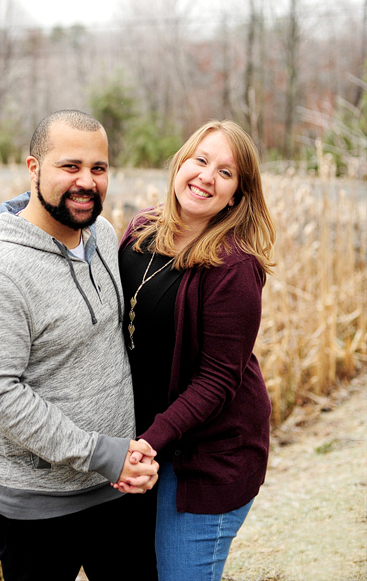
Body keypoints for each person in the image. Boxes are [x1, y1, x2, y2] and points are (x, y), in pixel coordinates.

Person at [0, 109, 159, 581]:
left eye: (98, 168)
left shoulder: (104, 236)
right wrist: (102, 455)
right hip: (35, 506)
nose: (86, 182)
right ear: (33, 169)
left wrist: (127, 455)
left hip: (119, 485)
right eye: (70, 166)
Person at [114, 120, 276, 580]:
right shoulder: (141, 230)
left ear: (237, 197)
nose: (207, 176)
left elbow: (219, 378)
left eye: (225, 173)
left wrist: (149, 443)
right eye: (201, 160)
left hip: (209, 455)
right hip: (149, 444)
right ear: (181, 163)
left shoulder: (234, 268)